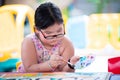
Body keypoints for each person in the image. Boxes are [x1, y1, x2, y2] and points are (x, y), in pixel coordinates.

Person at [17, 2, 80, 72]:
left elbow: (64, 72)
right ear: (36, 30)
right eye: (48, 33)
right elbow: (29, 69)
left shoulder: (66, 43)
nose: (55, 38)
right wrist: (49, 64)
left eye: (59, 31)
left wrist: (71, 65)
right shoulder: (29, 42)